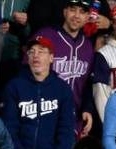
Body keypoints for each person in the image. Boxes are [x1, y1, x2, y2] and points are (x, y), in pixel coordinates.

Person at [2, 36, 75, 149]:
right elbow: (9, 129)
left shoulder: (63, 89)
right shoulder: (14, 86)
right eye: (31, 52)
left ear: (51, 58)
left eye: (41, 51)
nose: (35, 55)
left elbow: (66, 131)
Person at [34, 0, 96, 139]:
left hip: (74, 120)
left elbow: (88, 84)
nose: (76, 15)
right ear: (65, 12)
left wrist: (87, 109)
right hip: (43, 115)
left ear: (87, 17)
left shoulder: (87, 46)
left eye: (82, 12)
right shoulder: (46, 36)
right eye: (73, 9)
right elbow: (27, 75)